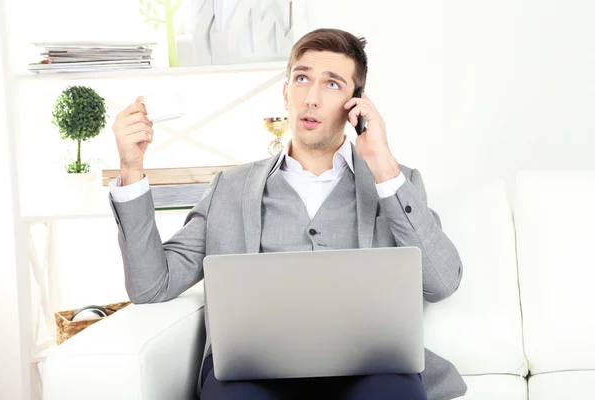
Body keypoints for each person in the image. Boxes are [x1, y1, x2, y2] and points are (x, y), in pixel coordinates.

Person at [109, 28, 467, 400]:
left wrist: (381, 165)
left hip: (370, 369)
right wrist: (131, 168)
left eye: (331, 84)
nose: (311, 98)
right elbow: (151, 285)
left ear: (356, 104)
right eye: (301, 79)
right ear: (285, 93)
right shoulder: (229, 189)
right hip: (252, 374)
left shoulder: (395, 181)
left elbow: (442, 282)